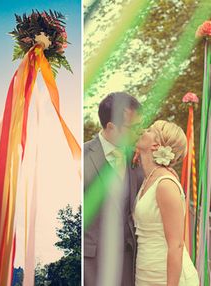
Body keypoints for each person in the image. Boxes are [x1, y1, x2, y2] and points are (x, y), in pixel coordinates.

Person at [84, 92, 144, 286]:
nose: (139, 132)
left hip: (129, 264)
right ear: (111, 127)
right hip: (92, 264)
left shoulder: (138, 158)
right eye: (133, 127)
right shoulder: (81, 156)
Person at [133, 120, 199, 286]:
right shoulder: (149, 178)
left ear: (155, 145)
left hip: (167, 278)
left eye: (149, 130)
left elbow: (176, 244)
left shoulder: (165, 185)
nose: (143, 131)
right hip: (146, 273)